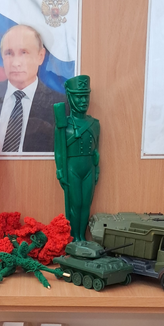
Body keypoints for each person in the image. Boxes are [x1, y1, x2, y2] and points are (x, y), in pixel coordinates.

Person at [0, 24, 66, 153]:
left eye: (24, 53)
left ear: (40, 56)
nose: (16, 63)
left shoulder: (61, 105)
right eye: (9, 53)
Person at [54, 74, 100, 241]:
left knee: (86, 204)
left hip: (89, 168)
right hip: (71, 168)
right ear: (70, 97)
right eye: (78, 97)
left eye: (86, 96)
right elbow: (59, 151)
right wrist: (60, 171)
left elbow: (96, 150)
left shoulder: (95, 124)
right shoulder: (63, 126)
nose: (83, 101)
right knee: (76, 204)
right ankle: (74, 238)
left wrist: (97, 168)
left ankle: (82, 237)